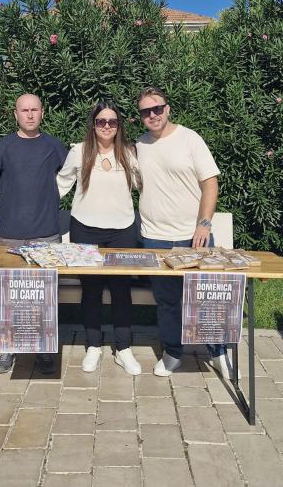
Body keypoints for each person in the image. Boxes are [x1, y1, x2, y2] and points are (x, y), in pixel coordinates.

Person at [135, 87, 237, 379]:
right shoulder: (139, 145)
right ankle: (173, 352)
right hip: (154, 237)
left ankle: (218, 353)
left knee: (207, 298)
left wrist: (204, 224)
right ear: (140, 116)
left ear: (168, 109)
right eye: (145, 111)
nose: (152, 115)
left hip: (194, 236)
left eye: (157, 108)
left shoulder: (190, 139)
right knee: (167, 302)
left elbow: (210, 182)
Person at [0, 93, 68, 375]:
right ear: (15, 114)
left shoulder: (55, 146)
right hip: (10, 236)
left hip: (46, 236)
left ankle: (42, 350)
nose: (29, 115)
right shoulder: (3, 147)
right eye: (24, 110)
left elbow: (79, 176)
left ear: (43, 112)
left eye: (34, 110)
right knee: (8, 296)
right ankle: (7, 349)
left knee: (43, 297)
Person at [57, 101, 142, 375]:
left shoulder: (129, 153)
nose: (107, 126)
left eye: (112, 122)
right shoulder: (79, 152)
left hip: (123, 230)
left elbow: (148, 185)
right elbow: (60, 185)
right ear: (93, 125)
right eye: (101, 121)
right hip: (85, 229)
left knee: (121, 291)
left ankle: (123, 348)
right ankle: (93, 345)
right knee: (91, 291)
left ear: (119, 126)